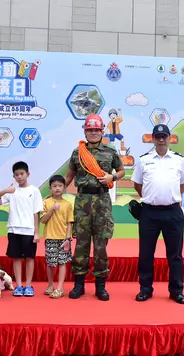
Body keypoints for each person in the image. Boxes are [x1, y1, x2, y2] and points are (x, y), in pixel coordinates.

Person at [65, 113, 125, 301]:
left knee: (101, 246)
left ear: (102, 131)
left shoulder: (110, 151)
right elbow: (69, 176)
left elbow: (122, 171)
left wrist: (112, 178)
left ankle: (100, 287)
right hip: (82, 200)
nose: (92, 133)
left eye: (96, 130)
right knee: (81, 244)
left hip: (102, 201)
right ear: (84, 130)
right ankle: (79, 285)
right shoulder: (77, 152)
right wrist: (56, 192)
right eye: (89, 130)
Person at [131, 124, 184, 305]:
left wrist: (169, 198)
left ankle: (176, 290)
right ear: (153, 139)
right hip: (149, 212)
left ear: (170, 138)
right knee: (146, 253)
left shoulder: (179, 160)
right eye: (158, 137)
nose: (161, 140)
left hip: (172, 211)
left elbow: (183, 184)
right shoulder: (144, 160)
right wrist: (151, 198)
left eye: (164, 136)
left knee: (175, 255)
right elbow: (137, 184)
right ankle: (145, 289)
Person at [0, 161, 44, 297]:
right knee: (16, 258)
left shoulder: (34, 191)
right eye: (16, 175)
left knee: (29, 258)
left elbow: (36, 212)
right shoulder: (12, 191)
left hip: (29, 230)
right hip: (14, 229)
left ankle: (28, 285)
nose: (19, 177)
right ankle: (19, 285)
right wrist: (6, 190)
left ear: (27, 174)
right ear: (14, 177)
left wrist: (37, 232)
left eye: (22, 174)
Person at [40, 175, 74, 299]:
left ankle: (60, 288)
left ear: (64, 188)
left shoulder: (68, 204)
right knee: (50, 263)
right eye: (54, 186)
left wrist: (68, 239)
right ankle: (50, 286)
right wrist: (51, 210)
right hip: (50, 237)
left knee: (62, 263)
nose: (57, 188)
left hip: (63, 239)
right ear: (50, 188)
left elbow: (70, 223)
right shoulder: (46, 202)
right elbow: (43, 220)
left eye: (60, 186)